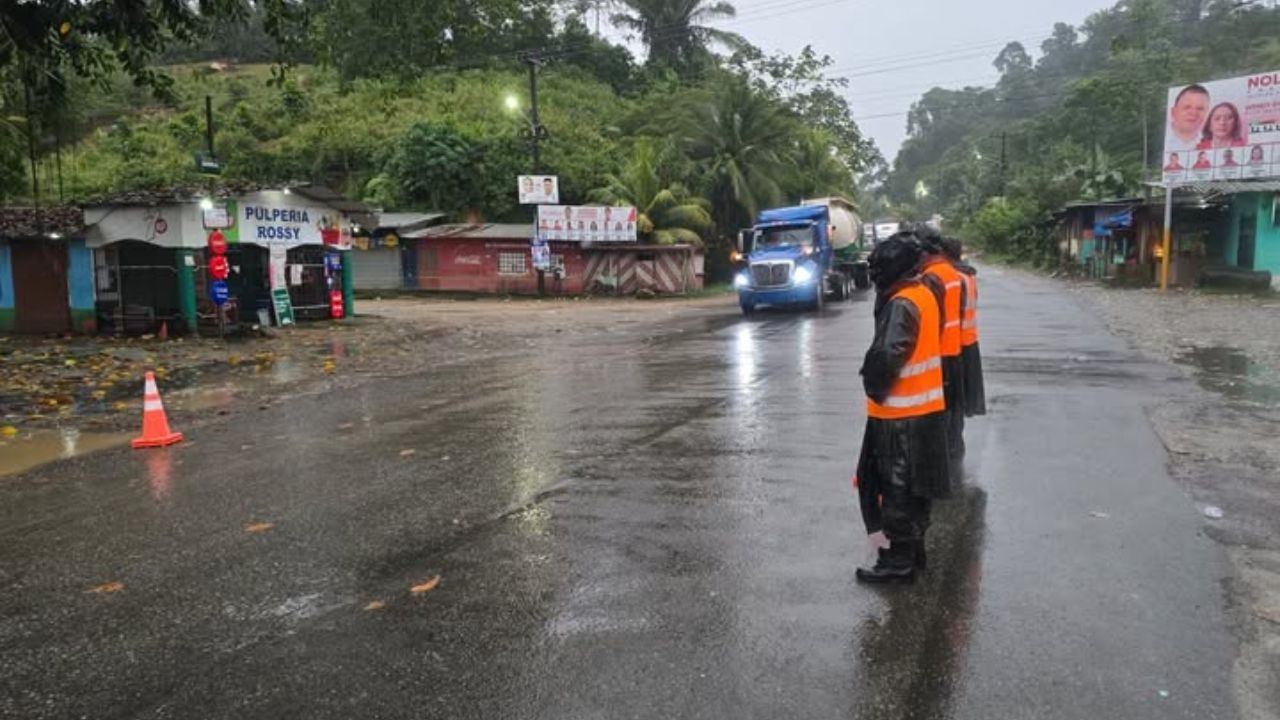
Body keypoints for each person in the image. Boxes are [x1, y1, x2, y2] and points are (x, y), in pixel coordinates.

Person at [855, 233, 951, 583]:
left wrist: (872, 383)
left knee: (895, 489)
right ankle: (914, 551)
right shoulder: (925, 293)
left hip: (900, 416)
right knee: (915, 488)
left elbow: (887, 357)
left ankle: (898, 562)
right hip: (924, 411)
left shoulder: (901, 304)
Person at [916, 225, 967, 476]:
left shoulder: (931, 278)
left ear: (926, 252)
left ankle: (940, 459)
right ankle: (954, 448)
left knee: (940, 408)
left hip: (938, 353)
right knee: (953, 408)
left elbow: (931, 320)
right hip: (955, 349)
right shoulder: (954, 275)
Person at [942, 238, 985, 417]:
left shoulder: (953, 278)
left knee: (953, 401)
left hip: (956, 343)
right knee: (965, 397)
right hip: (970, 339)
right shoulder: (969, 276)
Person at [1168, 84, 1210, 150]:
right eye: (1187, 107)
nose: (1193, 113)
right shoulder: (1163, 138)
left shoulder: (1211, 143)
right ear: (1173, 112)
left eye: (1200, 108)